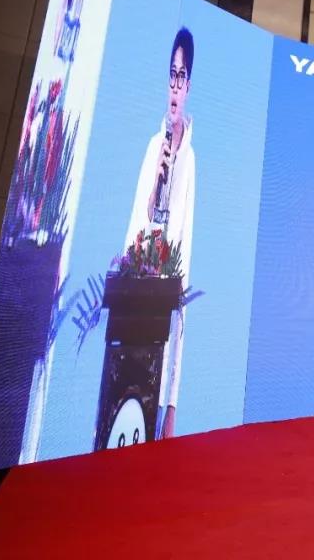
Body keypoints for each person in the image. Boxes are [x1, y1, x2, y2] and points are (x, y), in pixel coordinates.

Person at [124, 27, 196, 439]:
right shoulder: (155, 147)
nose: (174, 85)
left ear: (189, 86)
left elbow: (186, 253)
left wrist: (173, 400)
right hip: (136, 306)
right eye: (171, 74)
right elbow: (140, 220)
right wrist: (160, 170)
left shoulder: (192, 158)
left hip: (165, 310)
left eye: (181, 76)